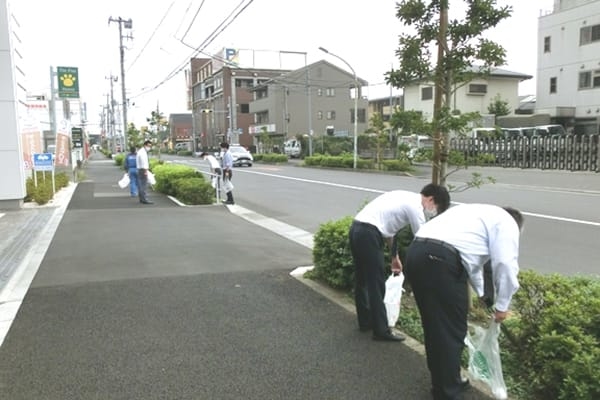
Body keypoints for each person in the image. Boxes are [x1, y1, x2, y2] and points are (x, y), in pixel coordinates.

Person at [404, 204, 524, 400]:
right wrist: (502, 306)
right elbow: (504, 264)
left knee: (435, 327)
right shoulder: (508, 223)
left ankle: (444, 384)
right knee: (451, 331)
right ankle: (448, 392)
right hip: (440, 261)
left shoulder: (477, 214)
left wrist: (483, 296)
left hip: (417, 252)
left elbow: (473, 267)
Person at [348, 184, 451, 342]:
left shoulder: (403, 196)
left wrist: (394, 257)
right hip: (369, 234)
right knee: (376, 283)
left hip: (357, 229)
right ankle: (381, 331)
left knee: (362, 279)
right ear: (431, 199)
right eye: (435, 208)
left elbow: (389, 230)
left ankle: (366, 322)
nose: (432, 212)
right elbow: (422, 237)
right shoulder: (415, 206)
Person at [136, 140, 153, 205]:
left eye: (150, 146)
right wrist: (146, 171)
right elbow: (143, 162)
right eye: (148, 146)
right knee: (143, 185)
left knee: (140, 185)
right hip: (143, 170)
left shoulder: (140, 151)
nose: (149, 147)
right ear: (144, 145)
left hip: (140, 170)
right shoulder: (142, 152)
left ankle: (141, 199)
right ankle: (144, 199)